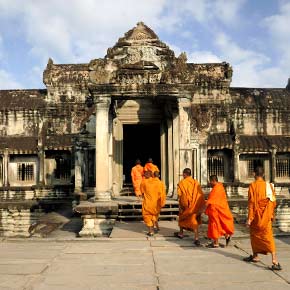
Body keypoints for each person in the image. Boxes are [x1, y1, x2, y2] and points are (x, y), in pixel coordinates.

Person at [243, 166, 282, 271]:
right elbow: (273, 202)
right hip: (266, 217)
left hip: (256, 217)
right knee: (268, 237)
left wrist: (249, 219)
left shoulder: (252, 186)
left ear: (254, 174)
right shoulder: (269, 186)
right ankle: (273, 260)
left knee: (255, 237)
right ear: (263, 174)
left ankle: (257, 256)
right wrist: (270, 214)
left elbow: (251, 204)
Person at [175, 168, 205, 246]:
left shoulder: (181, 183)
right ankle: (196, 238)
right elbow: (200, 194)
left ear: (185, 174)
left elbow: (179, 195)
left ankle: (181, 234)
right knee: (193, 220)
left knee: (182, 218)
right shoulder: (196, 183)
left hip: (185, 205)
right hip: (194, 205)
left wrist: (181, 205)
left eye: (183, 174)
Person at [205, 175, 234, 248]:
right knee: (220, 224)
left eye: (210, 181)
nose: (210, 183)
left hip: (215, 209)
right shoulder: (221, 187)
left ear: (213, 181)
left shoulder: (216, 189)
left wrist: (202, 208)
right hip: (221, 208)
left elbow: (210, 200)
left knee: (215, 225)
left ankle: (216, 243)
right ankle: (226, 235)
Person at [140, 170, 161, 236]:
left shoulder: (143, 182)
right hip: (156, 203)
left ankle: (151, 231)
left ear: (145, 175)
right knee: (154, 215)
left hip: (148, 203)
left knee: (147, 216)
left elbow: (142, 193)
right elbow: (161, 192)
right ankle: (155, 226)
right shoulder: (157, 182)